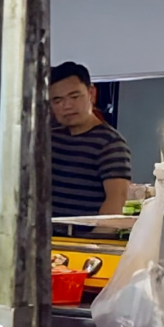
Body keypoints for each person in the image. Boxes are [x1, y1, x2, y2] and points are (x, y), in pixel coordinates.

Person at [49, 61, 134, 220]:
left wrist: (98, 233)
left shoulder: (110, 143)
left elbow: (116, 200)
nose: (67, 106)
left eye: (75, 97)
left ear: (91, 93)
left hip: (84, 234)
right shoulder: (48, 138)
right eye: (57, 100)